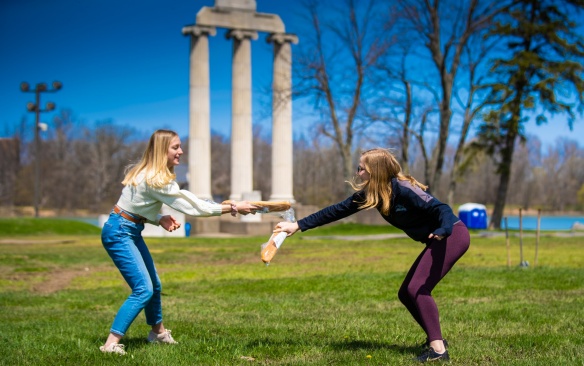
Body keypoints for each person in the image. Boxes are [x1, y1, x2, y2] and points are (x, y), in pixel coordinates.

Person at [276, 148, 470, 363]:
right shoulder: (373, 194)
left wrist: (444, 230)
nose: (358, 173)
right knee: (406, 293)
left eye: (361, 168)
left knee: (417, 288)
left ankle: (439, 351)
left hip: (452, 235)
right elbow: (336, 210)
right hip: (438, 238)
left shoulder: (404, 188)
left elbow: (441, 208)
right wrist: (297, 225)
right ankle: (437, 340)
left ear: (375, 171)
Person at [100, 129, 258, 355]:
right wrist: (232, 207)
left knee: (154, 286)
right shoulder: (155, 179)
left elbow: (134, 205)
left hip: (128, 228)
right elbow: (194, 206)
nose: (181, 151)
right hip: (119, 232)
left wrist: (158, 217)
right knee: (143, 289)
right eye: (175, 147)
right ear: (160, 150)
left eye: (179, 146)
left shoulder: (152, 173)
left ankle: (158, 333)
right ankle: (110, 344)